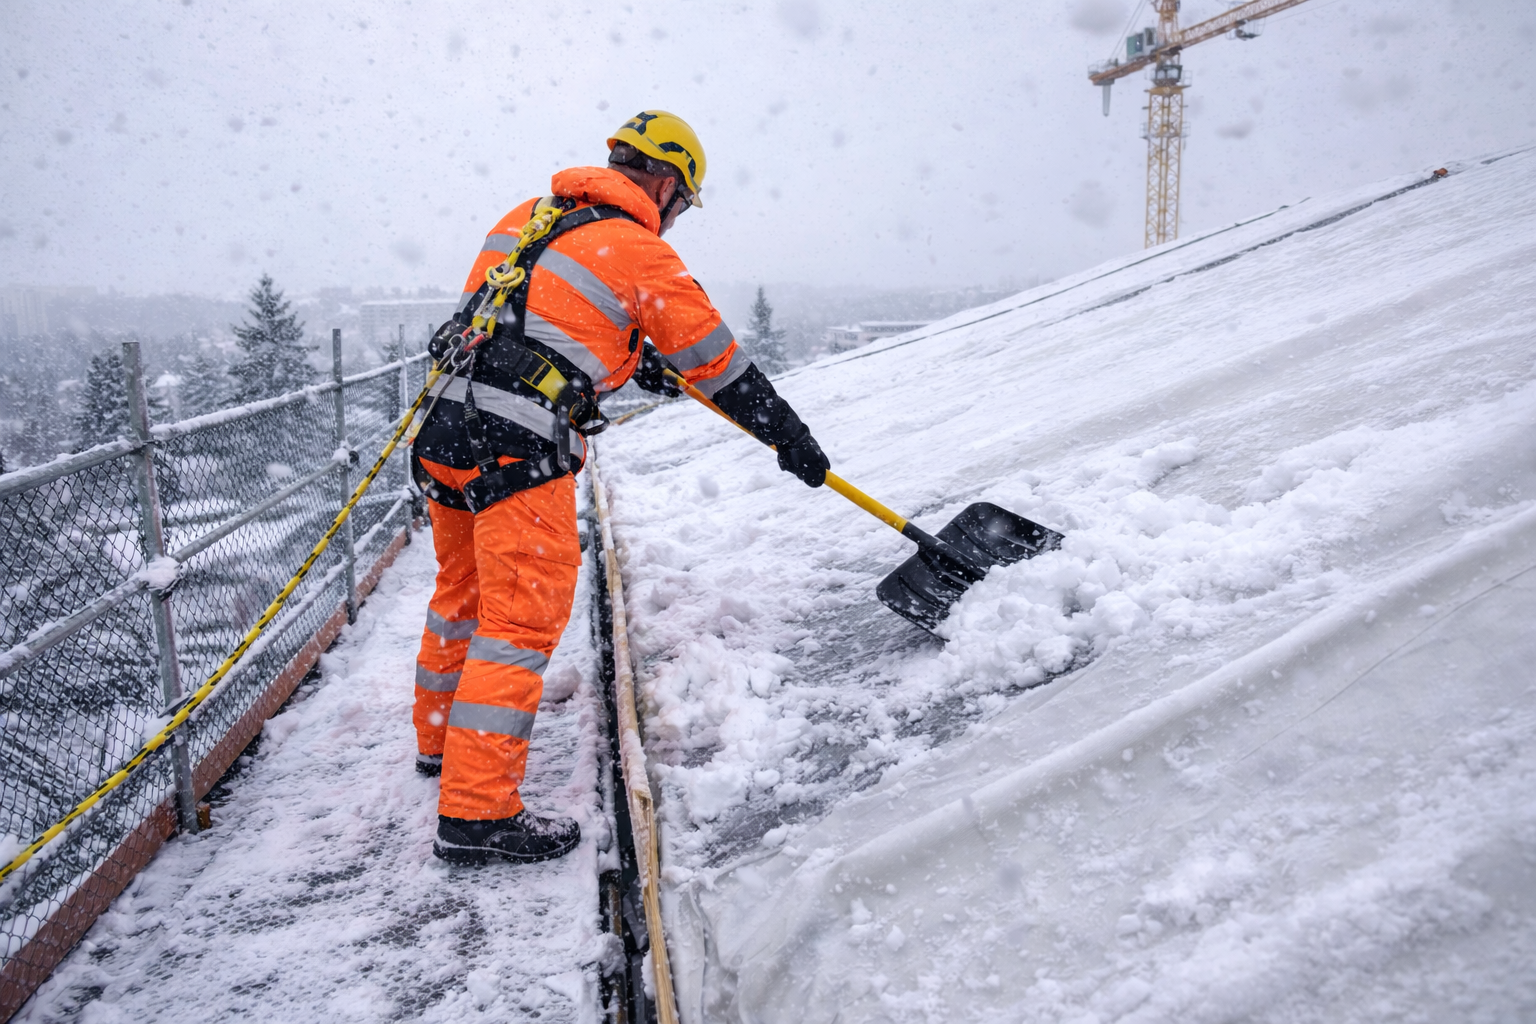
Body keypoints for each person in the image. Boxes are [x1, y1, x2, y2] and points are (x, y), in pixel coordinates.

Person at [408, 110, 829, 865]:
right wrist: (789, 438)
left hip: (447, 429)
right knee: (519, 621)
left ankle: (442, 747)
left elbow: (536, 320)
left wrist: (636, 358)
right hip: (517, 450)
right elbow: (721, 367)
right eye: (681, 205)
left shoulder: (526, 219)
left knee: (461, 597)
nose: (675, 221)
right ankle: (475, 814)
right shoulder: (637, 251)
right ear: (665, 183)